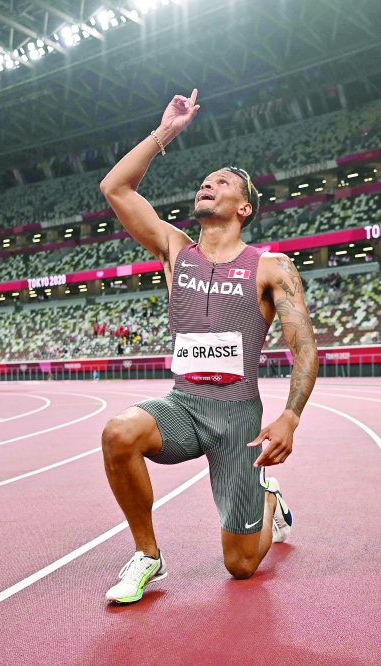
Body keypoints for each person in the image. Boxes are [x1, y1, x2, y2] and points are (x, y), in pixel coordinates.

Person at [98, 90, 319, 604]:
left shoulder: (271, 267)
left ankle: (267, 501)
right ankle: (149, 555)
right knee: (118, 432)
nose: (207, 184)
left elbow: (303, 347)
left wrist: (290, 417)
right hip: (183, 406)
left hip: (237, 419)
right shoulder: (175, 249)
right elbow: (115, 186)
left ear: (244, 207)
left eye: (221, 182)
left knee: (240, 567)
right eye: (204, 180)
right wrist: (165, 134)